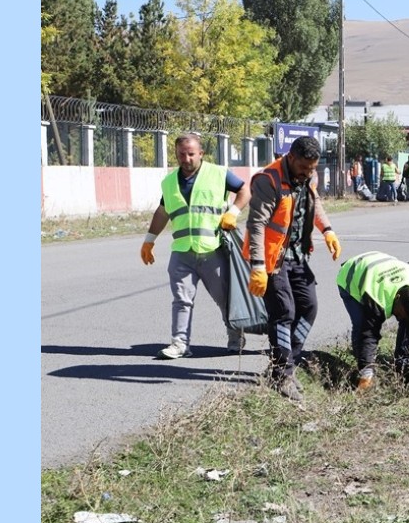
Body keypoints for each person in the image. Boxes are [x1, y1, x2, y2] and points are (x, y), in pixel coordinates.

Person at [244, 136, 342, 401]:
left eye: (313, 169)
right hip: (270, 260)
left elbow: (315, 203)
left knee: (309, 307)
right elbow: (256, 225)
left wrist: (328, 230)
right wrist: (257, 266)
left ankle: (285, 362)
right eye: (304, 168)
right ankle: (284, 374)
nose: (308, 173)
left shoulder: (309, 176)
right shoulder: (268, 181)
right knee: (284, 312)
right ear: (291, 157)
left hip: (298, 256)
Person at [141, 133, 250, 359]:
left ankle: (235, 337)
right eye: (182, 154)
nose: (186, 158)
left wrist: (234, 211)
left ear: (201, 153)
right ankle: (179, 344)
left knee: (225, 299)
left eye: (191, 154)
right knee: (182, 300)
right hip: (182, 252)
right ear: (176, 154)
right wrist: (149, 241)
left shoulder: (218, 173)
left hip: (213, 249)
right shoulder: (169, 182)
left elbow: (244, 190)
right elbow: (163, 212)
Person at [337, 251, 409, 391]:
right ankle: (362, 366)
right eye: (400, 313)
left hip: (379, 262)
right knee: (361, 325)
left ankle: (400, 360)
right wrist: (366, 372)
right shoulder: (376, 300)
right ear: (397, 298)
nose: (399, 317)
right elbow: (368, 336)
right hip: (351, 273)